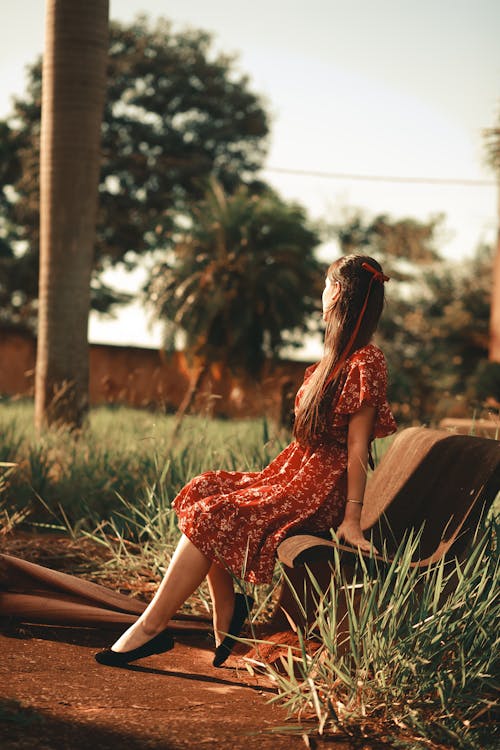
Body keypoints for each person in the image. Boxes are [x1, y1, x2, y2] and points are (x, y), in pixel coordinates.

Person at [95, 254, 397, 669]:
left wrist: (351, 518)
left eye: (327, 284)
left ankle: (151, 627)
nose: (322, 292)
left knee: (216, 512)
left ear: (339, 294)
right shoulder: (331, 360)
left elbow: (358, 448)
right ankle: (227, 617)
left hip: (319, 488)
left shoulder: (367, 361)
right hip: (294, 471)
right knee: (206, 488)